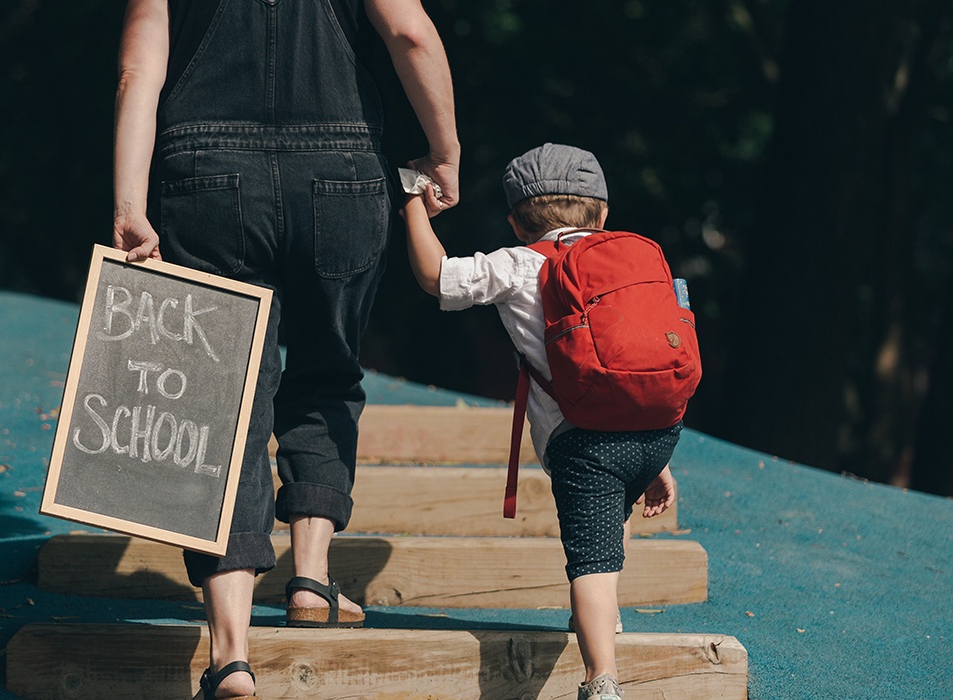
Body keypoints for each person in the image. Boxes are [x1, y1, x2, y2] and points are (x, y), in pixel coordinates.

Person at [110, 1, 459, 697]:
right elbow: (411, 33)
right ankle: (310, 578)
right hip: (344, 171)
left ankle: (231, 655)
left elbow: (136, 72)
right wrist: (444, 149)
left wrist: (128, 202)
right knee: (327, 375)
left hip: (203, 176)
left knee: (216, 403)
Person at [402, 143, 679, 700]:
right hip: (654, 430)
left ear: (516, 220)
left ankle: (601, 679)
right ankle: (606, 618)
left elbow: (437, 277)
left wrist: (411, 199)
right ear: (602, 215)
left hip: (583, 444)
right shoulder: (632, 261)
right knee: (610, 522)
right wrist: (660, 459)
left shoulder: (520, 263)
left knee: (591, 564)